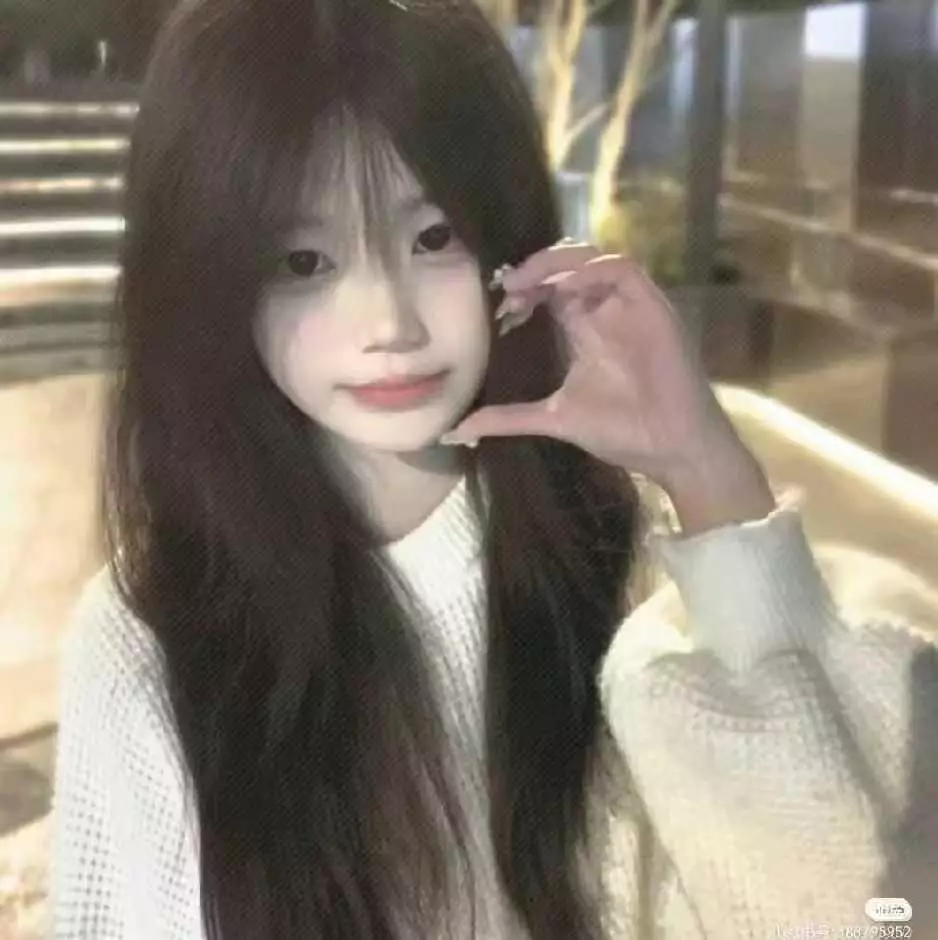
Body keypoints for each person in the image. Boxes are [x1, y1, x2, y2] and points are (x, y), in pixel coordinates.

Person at [47, 0, 938, 937]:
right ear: (210, 281)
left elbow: (855, 910)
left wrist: (705, 465)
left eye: (434, 237)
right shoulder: (148, 636)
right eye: (304, 260)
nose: (389, 322)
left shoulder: (622, 560)